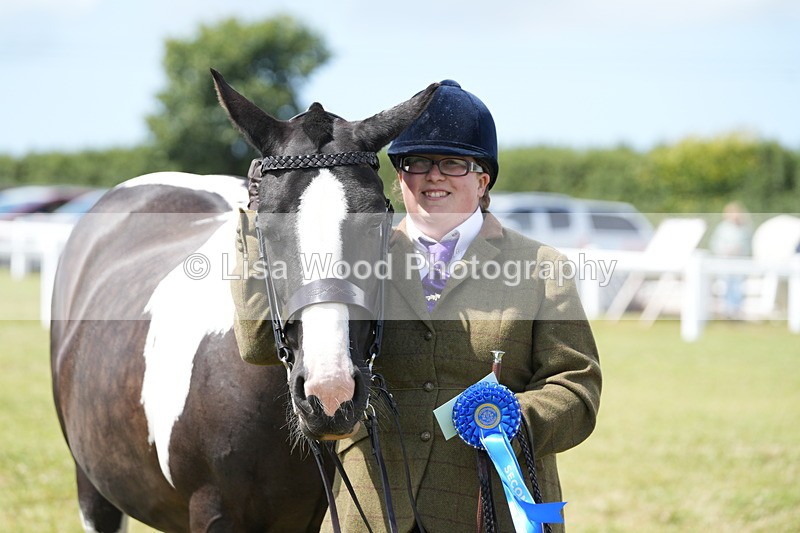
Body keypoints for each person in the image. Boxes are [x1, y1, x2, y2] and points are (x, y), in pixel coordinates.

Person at [318, 80, 602, 532]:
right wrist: (256, 225)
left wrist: (507, 421)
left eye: (453, 163)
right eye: (418, 163)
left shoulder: (542, 266)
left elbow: (577, 388)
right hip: (373, 506)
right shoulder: (356, 259)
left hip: (491, 508)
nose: (434, 176)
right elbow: (260, 346)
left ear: (482, 178)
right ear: (401, 177)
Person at [709, 202, 752, 319]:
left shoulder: (744, 229)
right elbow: (715, 244)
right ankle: (727, 311)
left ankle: (736, 311)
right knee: (726, 286)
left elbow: (747, 245)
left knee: (738, 287)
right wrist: (725, 250)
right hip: (725, 262)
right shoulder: (723, 228)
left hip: (739, 262)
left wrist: (739, 250)